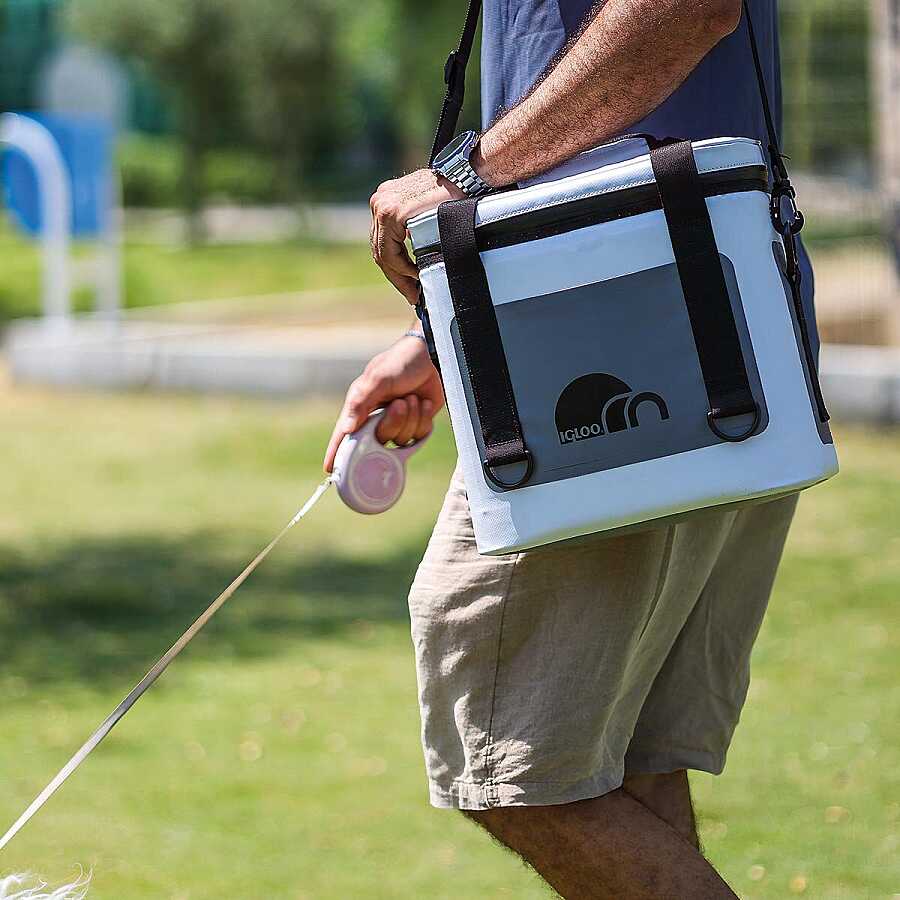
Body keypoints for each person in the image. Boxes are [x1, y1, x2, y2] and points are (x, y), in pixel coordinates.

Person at [324, 1, 815, 896]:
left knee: (513, 761)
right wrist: (448, 339)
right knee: (622, 765)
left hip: (637, 347)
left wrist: (466, 176)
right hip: (709, 337)